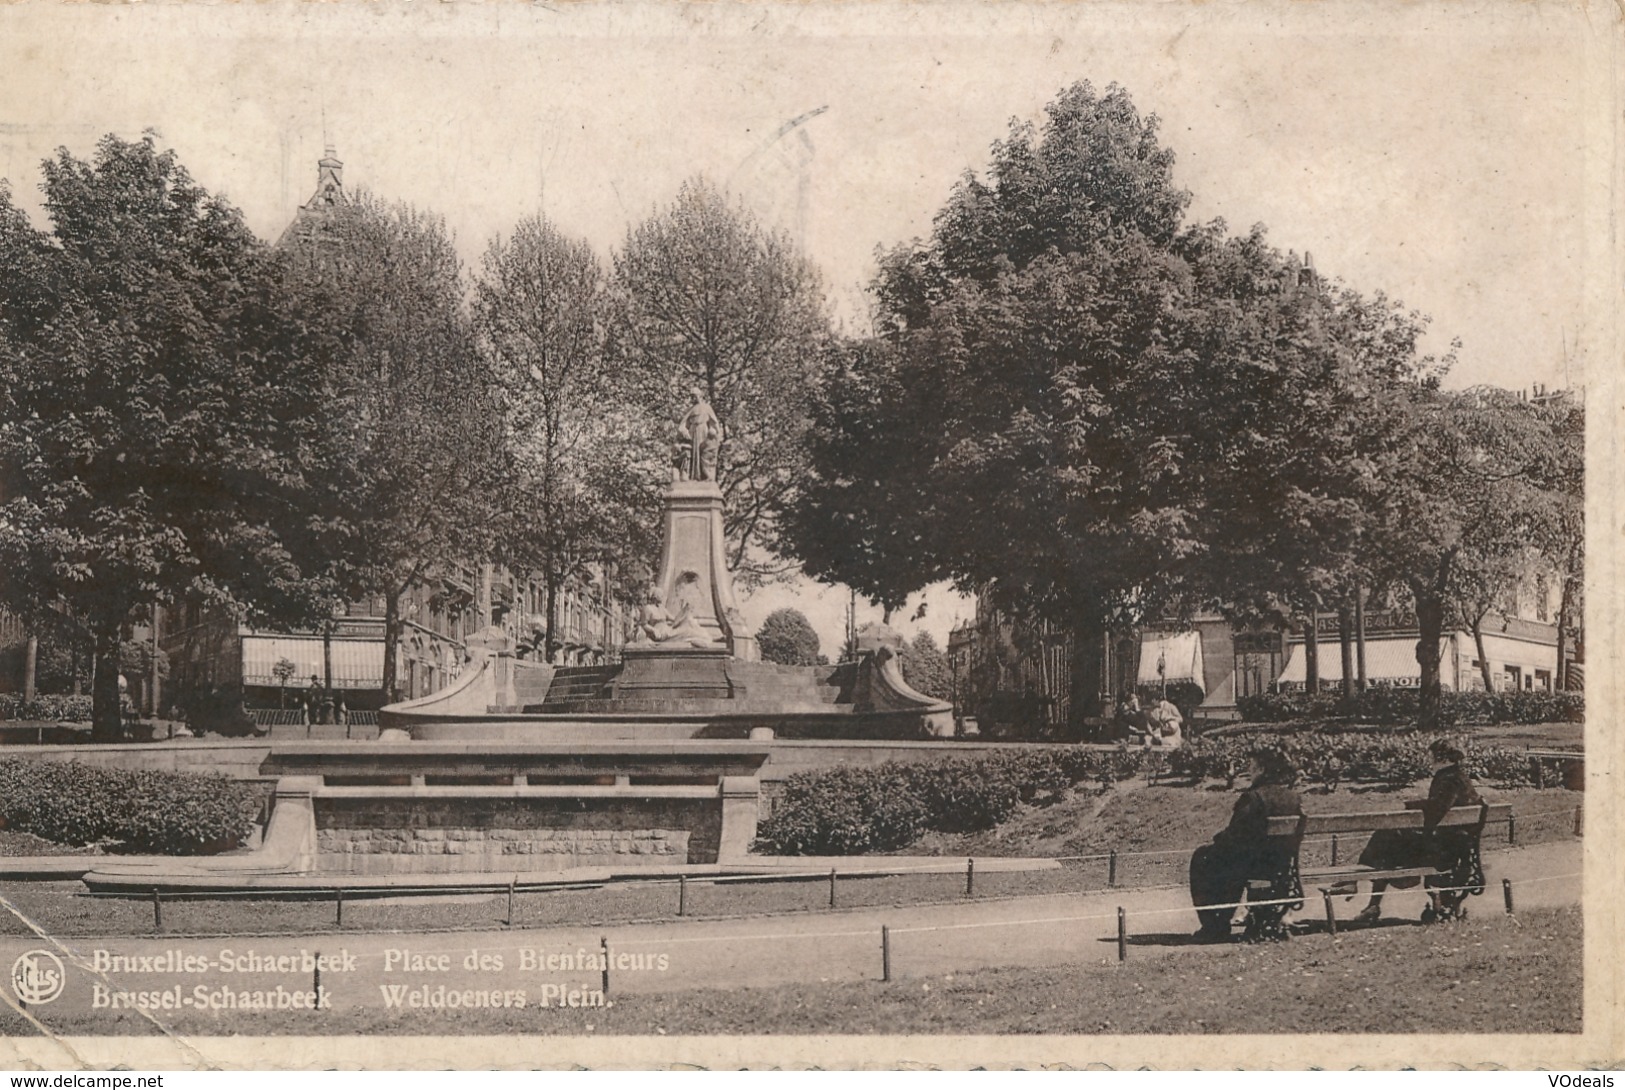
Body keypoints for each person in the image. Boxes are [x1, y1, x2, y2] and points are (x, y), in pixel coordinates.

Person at [1352, 739, 1484, 924]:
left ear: (1442, 758)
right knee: (1388, 839)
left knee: (1385, 837)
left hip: (1443, 850)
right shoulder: (1459, 776)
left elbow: (1437, 808)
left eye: (1432, 756)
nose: (1430, 760)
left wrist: (1410, 806)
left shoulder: (1448, 778)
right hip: (1455, 846)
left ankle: (1363, 892)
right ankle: (1367, 897)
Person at [1189, 747, 1304, 942]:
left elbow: (1235, 835)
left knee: (1203, 858)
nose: (1249, 770)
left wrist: (1217, 842)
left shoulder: (1253, 797)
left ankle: (1215, 925)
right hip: (1280, 863)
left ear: (1261, 770)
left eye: (1252, 766)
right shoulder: (1293, 797)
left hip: (1252, 865)